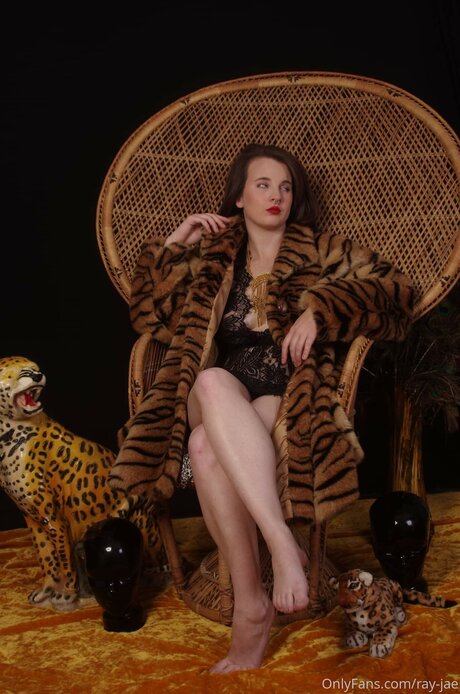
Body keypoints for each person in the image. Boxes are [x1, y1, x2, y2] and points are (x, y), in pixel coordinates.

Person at [109, 144, 414, 673]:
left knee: (204, 448)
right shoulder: (212, 255)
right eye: (264, 184)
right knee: (209, 380)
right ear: (239, 196)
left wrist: (321, 311)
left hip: (284, 399)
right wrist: (178, 242)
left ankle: (251, 608)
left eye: (286, 187)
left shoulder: (320, 250)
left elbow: (396, 293)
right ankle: (281, 543)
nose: (277, 195)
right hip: (217, 394)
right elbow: (150, 315)